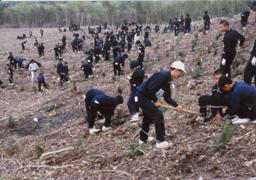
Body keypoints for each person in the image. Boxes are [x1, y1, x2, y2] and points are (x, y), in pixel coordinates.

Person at [135, 61, 186, 149]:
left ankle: (142, 140)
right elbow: (150, 88)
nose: (181, 75)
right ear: (177, 70)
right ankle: (160, 141)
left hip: (146, 97)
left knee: (148, 118)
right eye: (181, 73)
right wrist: (155, 100)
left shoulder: (168, 79)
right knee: (158, 115)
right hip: (142, 96)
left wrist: (176, 105)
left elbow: (167, 97)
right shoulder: (163, 76)